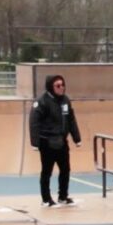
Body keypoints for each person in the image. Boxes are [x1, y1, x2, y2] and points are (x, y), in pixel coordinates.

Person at [29, 74, 82, 207]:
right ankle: (46, 199)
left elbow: (71, 120)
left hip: (62, 141)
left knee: (65, 170)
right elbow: (34, 122)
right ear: (51, 87)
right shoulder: (42, 101)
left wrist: (77, 138)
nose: (61, 88)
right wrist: (35, 142)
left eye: (63, 85)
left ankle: (63, 197)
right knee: (47, 171)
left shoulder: (65, 100)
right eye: (58, 85)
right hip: (47, 142)